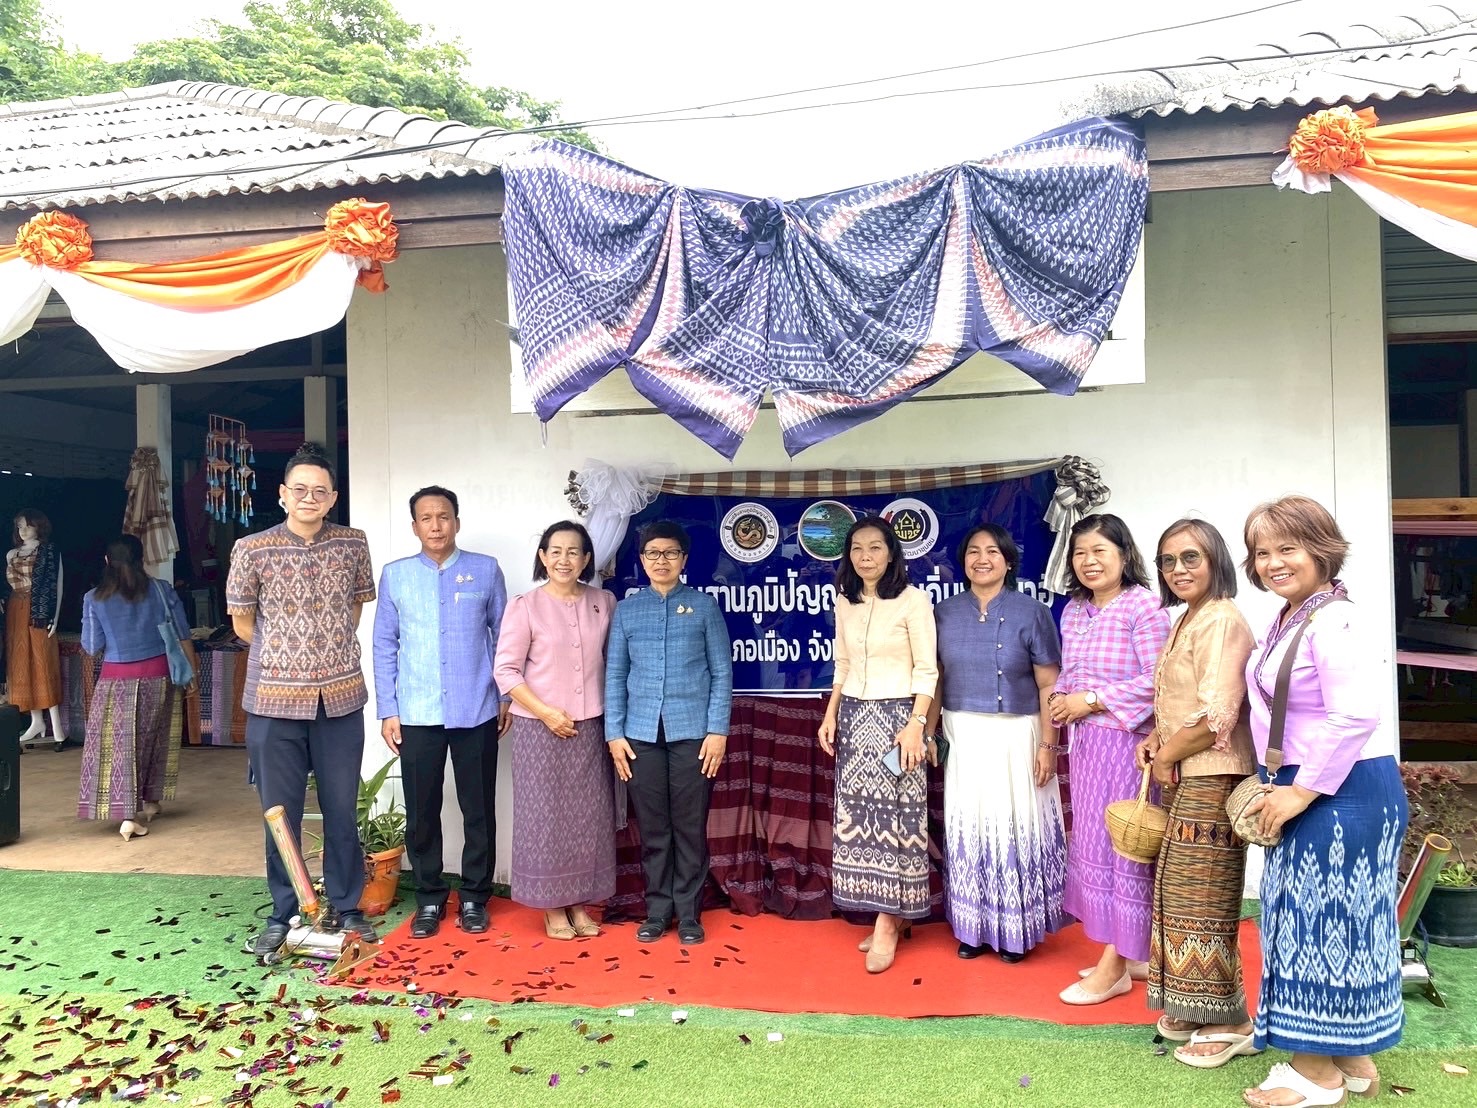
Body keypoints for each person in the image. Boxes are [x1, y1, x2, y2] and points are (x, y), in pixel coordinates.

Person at [1238, 496, 1404, 1108]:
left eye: (1288, 547)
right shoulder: (1295, 615)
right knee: (1337, 925)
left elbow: (1355, 714)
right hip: (1326, 786)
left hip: (1337, 790)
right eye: (1262, 552)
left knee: (1318, 926)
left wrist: (1300, 792)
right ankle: (1352, 1059)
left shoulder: (1335, 620)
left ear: (1321, 549)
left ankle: (1315, 1073)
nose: (1273, 562)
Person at [227, 443, 379, 956]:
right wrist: (288, 655)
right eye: (300, 489)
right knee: (280, 813)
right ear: (282, 494)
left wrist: (326, 651)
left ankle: (348, 907)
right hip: (273, 701)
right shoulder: (252, 548)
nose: (309, 498)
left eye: (319, 490)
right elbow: (242, 623)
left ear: (333, 497)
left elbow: (355, 609)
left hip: (340, 698)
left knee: (341, 809)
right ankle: (284, 910)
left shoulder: (352, 544)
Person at [1134, 519, 1257, 1067]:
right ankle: (1192, 1004)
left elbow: (1217, 715)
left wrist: (1166, 755)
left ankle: (1230, 1020)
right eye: (1167, 560)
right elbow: (1180, 702)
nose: (1177, 569)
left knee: (1204, 896)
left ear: (1215, 561)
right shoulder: (1189, 617)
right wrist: (1157, 739)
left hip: (1214, 773)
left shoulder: (1221, 618)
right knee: (1180, 893)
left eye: (1190, 557)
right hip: (1192, 771)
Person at [373, 485, 507, 939]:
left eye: (444, 516)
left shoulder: (485, 570)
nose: (436, 525)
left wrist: (505, 697)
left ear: (457, 522)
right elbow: (384, 644)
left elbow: (505, 638)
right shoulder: (396, 575)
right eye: (426, 518)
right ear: (415, 526)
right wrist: (388, 709)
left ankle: (474, 898)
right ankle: (429, 897)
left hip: (477, 708)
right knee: (422, 811)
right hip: (417, 711)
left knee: (478, 809)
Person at [928, 523, 1065, 964]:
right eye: (973, 551)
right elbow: (936, 679)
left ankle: (1017, 931)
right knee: (970, 825)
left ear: (1008, 561)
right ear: (962, 561)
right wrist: (929, 732)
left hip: (1018, 735)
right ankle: (974, 928)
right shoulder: (944, 613)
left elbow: (1049, 685)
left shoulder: (1032, 612)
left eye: (992, 551)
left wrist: (1048, 746)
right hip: (963, 733)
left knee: (1013, 825)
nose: (982, 559)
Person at [1048, 512, 1170, 1005]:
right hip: (1085, 747)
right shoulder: (1075, 610)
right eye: (1080, 552)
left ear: (1123, 554)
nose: (1089, 561)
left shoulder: (1143, 606)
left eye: (1100, 550)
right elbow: (1070, 673)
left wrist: (1093, 700)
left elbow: (1158, 679)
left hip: (1127, 745)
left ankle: (1114, 968)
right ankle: (1131, 950)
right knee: (1097, 845)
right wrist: (1063, 698)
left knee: (1125, 849)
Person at [818, 516, 938, 975]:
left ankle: (890, 921)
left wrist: (916, 725)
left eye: (875, 548)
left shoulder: (913, 601)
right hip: (854, 716)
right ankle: (886, 913)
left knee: (896, 820)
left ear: (891, 554)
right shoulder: (844, 602)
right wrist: (831, 714)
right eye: (856, 548)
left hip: (898, 720)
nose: (865, 557)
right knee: (861, 820)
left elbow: (927, 669)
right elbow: (842, 663)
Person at [605, 519, 732, 946]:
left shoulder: (703, 607)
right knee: (654, 828)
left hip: (693, 733)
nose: (662, 561)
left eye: (671, 553)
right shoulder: (628, 610)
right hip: (639, 735)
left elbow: (722, 673)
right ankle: (658, 911)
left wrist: (717, 730)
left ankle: (690, 914)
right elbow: (615, 674)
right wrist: (614, 734)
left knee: (689, 826)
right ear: (642, 560)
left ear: (684, 559)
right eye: (653, 553)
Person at [494, 521, 617, 940]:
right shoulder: (525, 606)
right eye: (556, 551)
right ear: (543, 557)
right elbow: (506, 671)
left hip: (591, 726)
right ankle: (551, 907)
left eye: (574, 552)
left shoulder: (603, 602)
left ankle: (579, 902)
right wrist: (546, 712)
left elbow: (613, 662)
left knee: (587, 819)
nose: (564, 559)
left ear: (586, 559)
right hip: (540, 730)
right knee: (545, 819)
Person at [78, 535, 198, 841]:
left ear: (107, 561)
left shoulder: (93, 598)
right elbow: (183, 634)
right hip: (159, 675)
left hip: (115, 679)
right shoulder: (161, 590)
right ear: (141, 559)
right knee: (156, 739)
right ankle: (150, 802)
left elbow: (91, 646)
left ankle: (128, 816)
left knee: (120, 747)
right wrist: (192, 674)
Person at [3, 510, 67, 746]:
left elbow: (57, 586)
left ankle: (56, 726)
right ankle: (36, 720)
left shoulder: (49, 551)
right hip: (16, 608)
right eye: (20, 526)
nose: (23, 531)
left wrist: (55, 617)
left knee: (43, 661)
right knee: (20, 661)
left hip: (39, 610)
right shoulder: (11, 554)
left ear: (39, 527)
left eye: (28, 526)